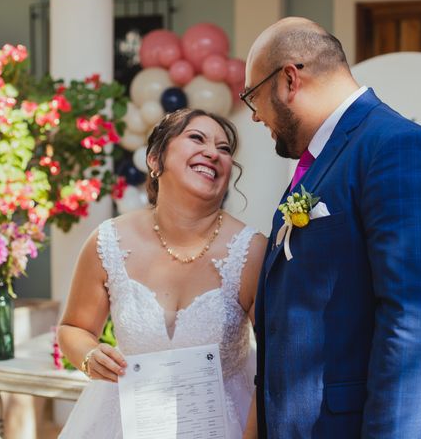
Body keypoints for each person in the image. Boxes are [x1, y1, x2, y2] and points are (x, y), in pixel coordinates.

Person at [243, 17, 421, 438]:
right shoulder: (330, 157)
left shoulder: (396, 147)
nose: (255, 116)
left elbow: (415, 324)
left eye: (252, 97)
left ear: (288, 80)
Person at [57, 108, 265, 438]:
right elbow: (73, 328)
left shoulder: (251, 251)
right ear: (155, 160)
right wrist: (89, 356)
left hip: (226, 424)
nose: (213, 153)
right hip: (124, 422)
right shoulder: (108, 241)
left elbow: (275, 359)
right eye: (197, 138)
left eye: (224, 149)